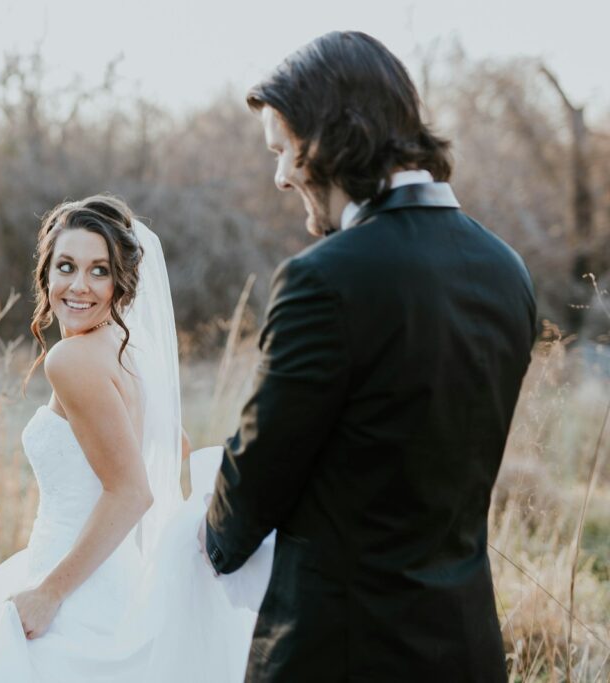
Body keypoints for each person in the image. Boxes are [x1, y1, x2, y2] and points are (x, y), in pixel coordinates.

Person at [202, 31, 537, 682]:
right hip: (467, 648)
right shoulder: (507, 270)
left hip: (342, 652)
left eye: (283, 150)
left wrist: (206, 543)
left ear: (327, 136)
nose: (279, 176)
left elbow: (261, 469)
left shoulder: (324, 279)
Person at [0, 195, 273, 682]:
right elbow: (171, 447)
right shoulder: (128, 352)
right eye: (66, 266)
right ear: (46, 274)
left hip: (76, 592)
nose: (79, 285)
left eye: (99, 271)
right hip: (114, 576)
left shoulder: (71, 361)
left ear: (122, 282)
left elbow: (133, 491)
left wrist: (50, 593)